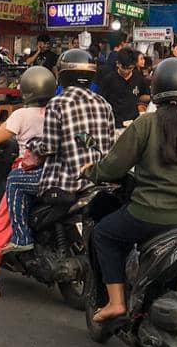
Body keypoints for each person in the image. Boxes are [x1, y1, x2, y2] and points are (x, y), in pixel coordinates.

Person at [83, 57, 177, 322]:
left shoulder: (145, 124)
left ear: (156, 89)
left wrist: (90, 171)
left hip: (148, 215)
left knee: (104, 234)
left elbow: (114, 168)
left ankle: (116, 302)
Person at [11, 49, 115, 252]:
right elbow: (109, 145)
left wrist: (32, 146)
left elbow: (49, 146)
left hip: (64, 181)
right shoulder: (104, 104)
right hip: (96, 180)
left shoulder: (57, 103)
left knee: (14, 180)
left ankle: (21, 238)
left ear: (63, 74)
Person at [0, 66, 57, 298]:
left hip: (25, 171)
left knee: (1, 220)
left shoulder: (21, 115)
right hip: (55, 173)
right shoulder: (59, 111)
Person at [97, 46, 150, 127]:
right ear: (117, 63)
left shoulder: (139, 78)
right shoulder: (109, 79)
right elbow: (100, 101)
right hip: (114, 123)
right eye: (123, 68)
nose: (126, 71)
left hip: (134, 123)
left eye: (130, 68)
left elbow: (142, 96)